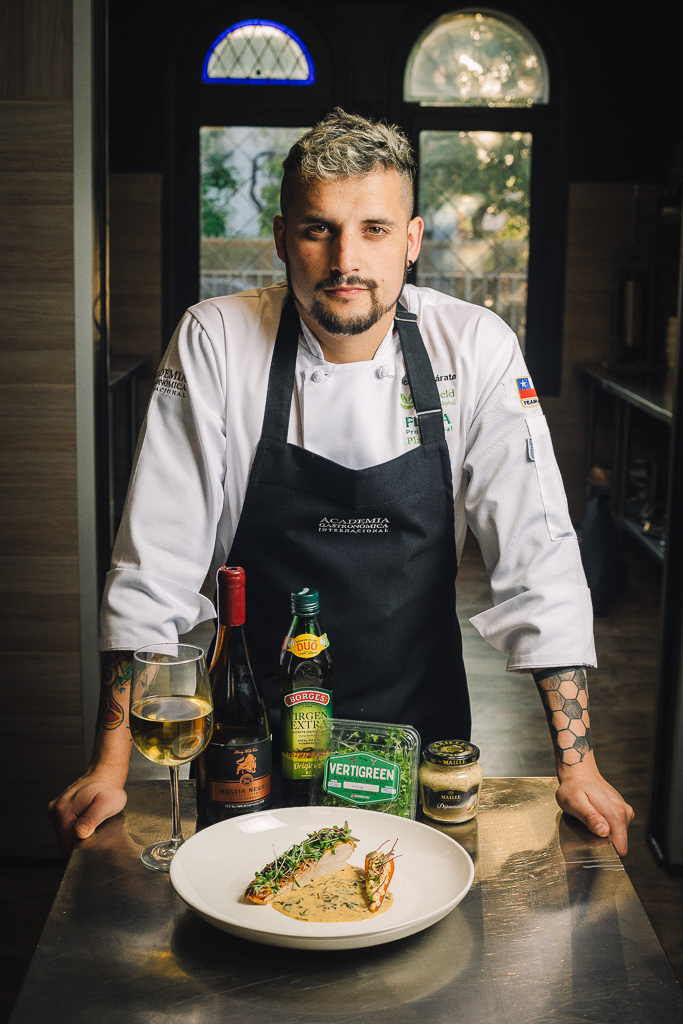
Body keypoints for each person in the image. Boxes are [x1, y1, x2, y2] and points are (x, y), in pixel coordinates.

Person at [49, 108, 633, 856]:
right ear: (281, 238)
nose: (344, 260)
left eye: (374, 229)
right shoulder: (216, 341)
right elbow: (152, 567)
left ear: (412, 240)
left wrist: (577, 767)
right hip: (251, 746)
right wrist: (109, 766)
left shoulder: (474, 347)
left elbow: (539, 559)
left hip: (420, 745)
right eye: (318, 229)